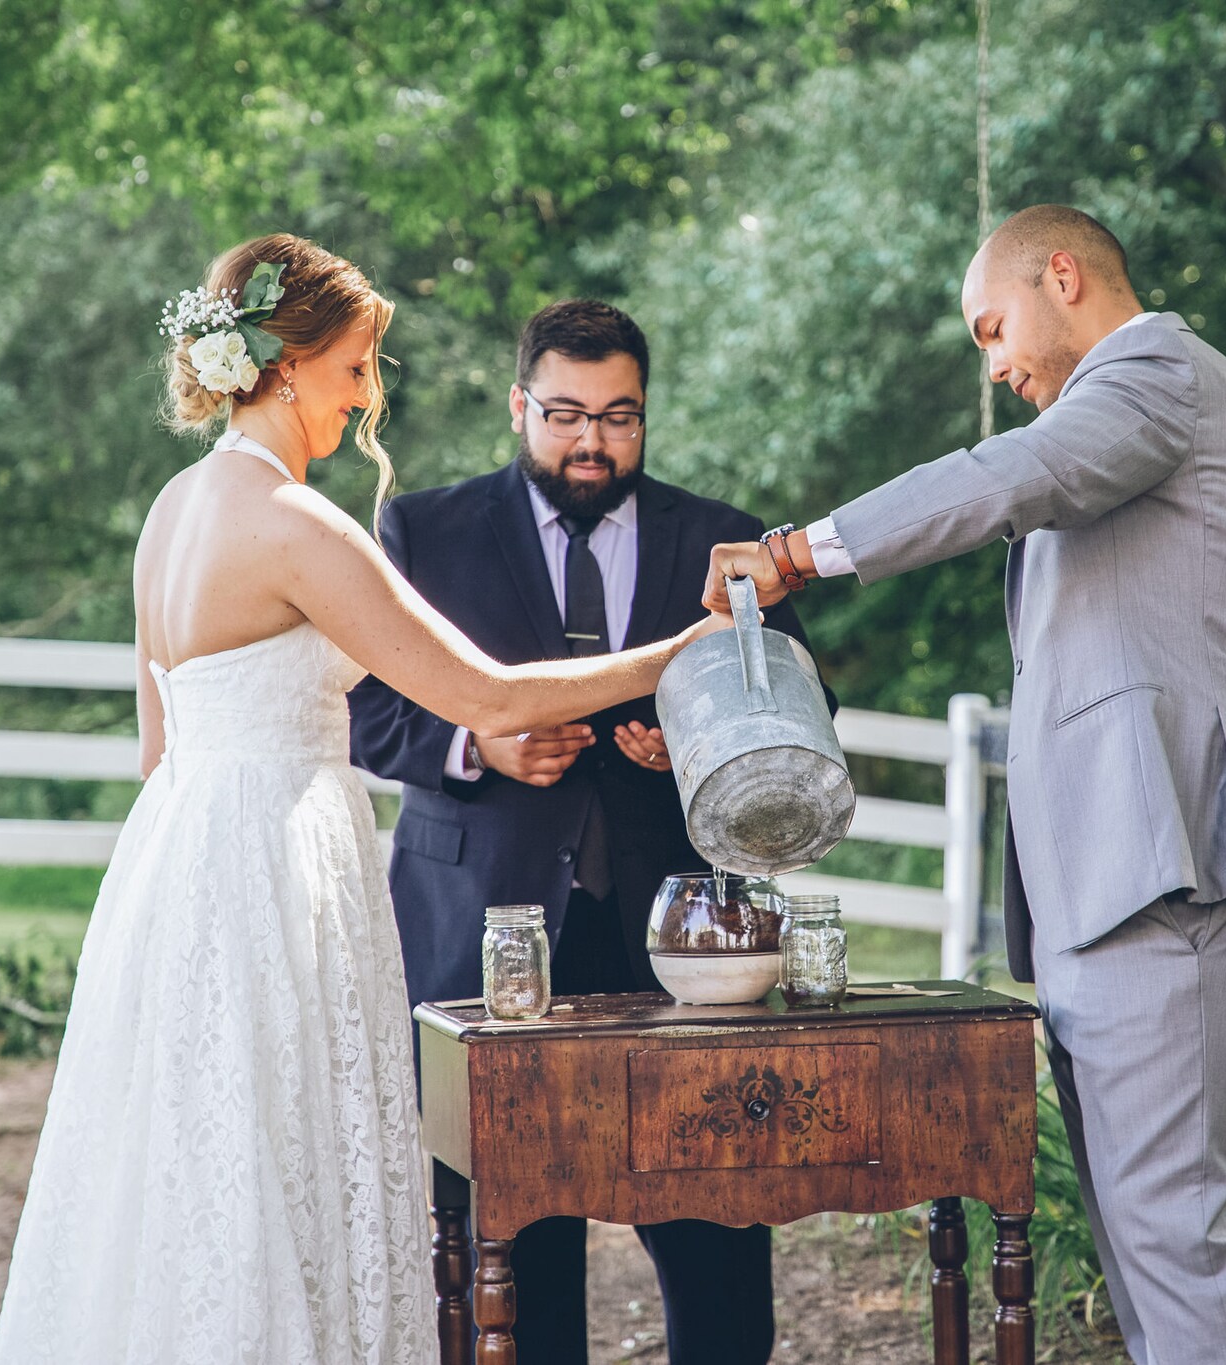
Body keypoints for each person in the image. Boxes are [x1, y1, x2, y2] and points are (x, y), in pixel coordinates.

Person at [0, 236, 729, 1365]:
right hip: (277, 877)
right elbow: (482, 692)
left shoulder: (171, 512)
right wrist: (680, 651)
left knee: (194, 1175)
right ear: (284, 368)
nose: (362, 396)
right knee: (285, 1165)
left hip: (180, 872)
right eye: (352, 370)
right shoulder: (291, 521)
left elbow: (157, 747)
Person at [705, 204, 1226, 1365]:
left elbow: (1010, 475)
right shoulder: (1134, 412)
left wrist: (797, 551)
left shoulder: (1156, 375)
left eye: (993, 331)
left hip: (1174, 873)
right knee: (1149, 1252)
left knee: (1179, 1248)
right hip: (1121, 883)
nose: (996, 369)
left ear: (1062, 274)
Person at [348, 299, 818, 1365]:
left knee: (714, 1230)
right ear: (518, 406)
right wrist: (476, 744)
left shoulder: (723, 541)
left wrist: (696, 747)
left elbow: (792, 715)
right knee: (511, 1239)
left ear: (645, 416)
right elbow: (360, 710)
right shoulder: (422, 530)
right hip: (481, 927)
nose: (591, 441)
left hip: (682, 943)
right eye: (563, 414)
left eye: (618, 417)